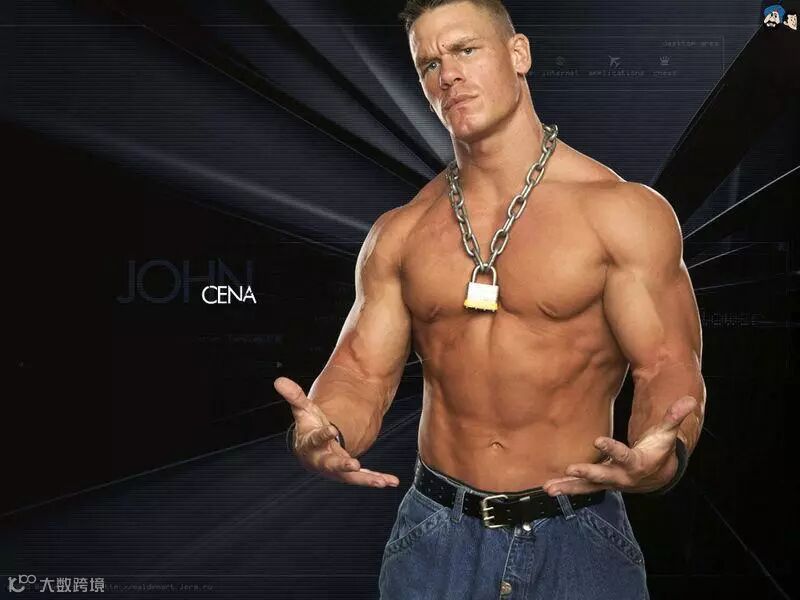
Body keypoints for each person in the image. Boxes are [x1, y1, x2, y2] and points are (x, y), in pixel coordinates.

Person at [274, 0, 706, 597]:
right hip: (435, 535)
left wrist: (663, 450)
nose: (447, 74)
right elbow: (360, 372)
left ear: (518, 53)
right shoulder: (400, 233)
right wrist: (327, 432)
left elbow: (666, 365)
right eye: (429, 64)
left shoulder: (622, 212)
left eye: (465, 50)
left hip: (576, 534)